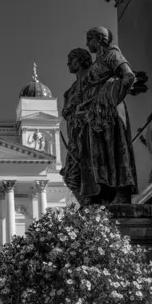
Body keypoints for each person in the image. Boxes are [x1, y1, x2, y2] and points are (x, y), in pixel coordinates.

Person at [73, 26, 138, 205]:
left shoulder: (112, 54)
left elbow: (128, 76)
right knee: (97, 154)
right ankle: (104, 193)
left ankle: (122, 191)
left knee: (115, 148)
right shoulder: (96, 64)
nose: (87, 44)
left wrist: (111, 95)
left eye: (90, 39)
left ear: (100, 39)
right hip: (94, 115)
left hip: (110, 111)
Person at [60, 47, 93, 205]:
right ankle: (89, 209)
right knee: (70, 176)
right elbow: (66, 112)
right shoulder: (71, 89)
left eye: (71, 60)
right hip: (75, 136)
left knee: (87, 173)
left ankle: (91, 209)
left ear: (80, 61)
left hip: (89, 133)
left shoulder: (92, 79)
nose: (68, 64)